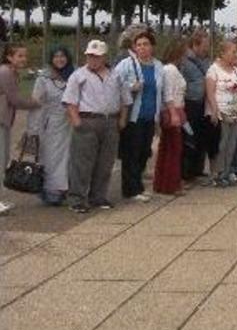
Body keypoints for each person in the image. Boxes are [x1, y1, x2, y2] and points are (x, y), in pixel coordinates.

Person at [62, 40, 125, 213]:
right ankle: (77, 198)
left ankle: (98, 196)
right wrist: (77, 122)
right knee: (82, 162)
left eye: (97, 57)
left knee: (105, 162)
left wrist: (122, 119)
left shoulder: (115, 75)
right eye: (90, 56)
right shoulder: (78, 75)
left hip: (110, 121)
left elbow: (124, 99)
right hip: (87, 119)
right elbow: (70, 101)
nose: (93, 60)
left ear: (104, 57)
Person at [113, 30, 164, 201]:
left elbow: (160, 92)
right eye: (139, 45)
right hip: (133, 116)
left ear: (152, 47)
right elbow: (113, 84)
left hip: (150, 116)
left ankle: (138, 185)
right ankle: (131, 189)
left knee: (144, 152)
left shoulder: (158, 66)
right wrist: (130, 86)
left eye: (146, 44)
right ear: (134, 47)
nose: (142, 48)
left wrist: (159, 117)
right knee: (131, 153)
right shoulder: (126, 64)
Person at [27, 47, 71, 206]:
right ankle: (52, 191)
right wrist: (33, 128)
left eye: (63, 56)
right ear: (51, 59)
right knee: (52, 158)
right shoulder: (43, 78)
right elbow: (36, 104)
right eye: (56, 56)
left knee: (68, 158)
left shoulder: (72, 76)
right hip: (51, 123)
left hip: (70, 123)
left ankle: (64, 189)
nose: (60, 59)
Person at [0, 43, 41, 215]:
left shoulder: (11, 72)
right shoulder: (6, 72)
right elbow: (15, 99)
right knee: (1, 159)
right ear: (9, 57)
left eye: (24, 56)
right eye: (19, 56)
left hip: (4, 120)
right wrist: (36, 103)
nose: (23, 59)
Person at [205, 40, 237, 187]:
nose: (236, 54)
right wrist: (215, 111)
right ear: (223, 53)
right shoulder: (213, 70)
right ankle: (217, 173)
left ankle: (227, 172)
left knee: (232, 144)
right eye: (233, 52)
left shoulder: (235, 71)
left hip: (234, 112)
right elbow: (210, 92)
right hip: (221, 113)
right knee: (221, 144)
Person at [153, 38, 188, 196]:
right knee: (174, 148)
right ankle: (170, 184)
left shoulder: (169, 69)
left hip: (174, 108)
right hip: (173, 110)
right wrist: (174, 114)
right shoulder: (171, 70)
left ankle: (163, 182)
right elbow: (168, 94)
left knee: (167, 147)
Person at [179, 29, 213, 181]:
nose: (207, 48)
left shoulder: (205, 60)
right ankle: (186, 172)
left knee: (201, 137)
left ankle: (197, 169)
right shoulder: (184, 62)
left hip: (202, 103)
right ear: (195, 45)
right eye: (205, 45)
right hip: (189, 103)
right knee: (189, 138)